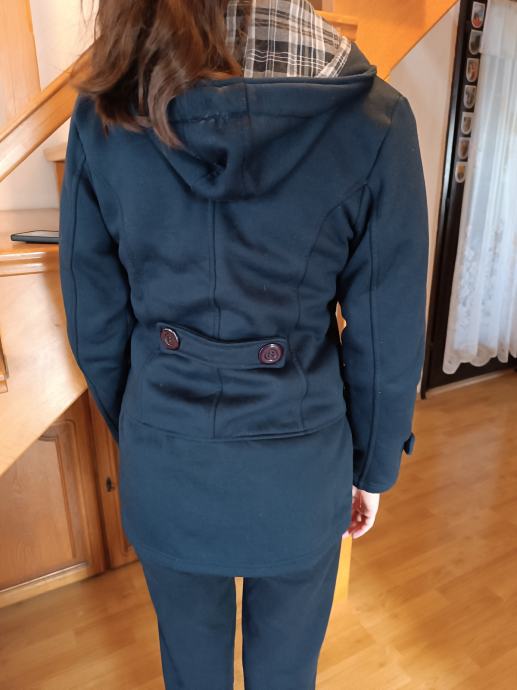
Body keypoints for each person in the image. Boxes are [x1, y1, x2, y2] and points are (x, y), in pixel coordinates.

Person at [58, 0, 429, 687]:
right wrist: (371, 468)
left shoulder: (104, 114)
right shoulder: (374, 119)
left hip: (166, 462)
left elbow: (94, 317)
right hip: (299, 470)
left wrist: (144, 428)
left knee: (189, 671)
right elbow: (387, 332)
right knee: (286, 674)